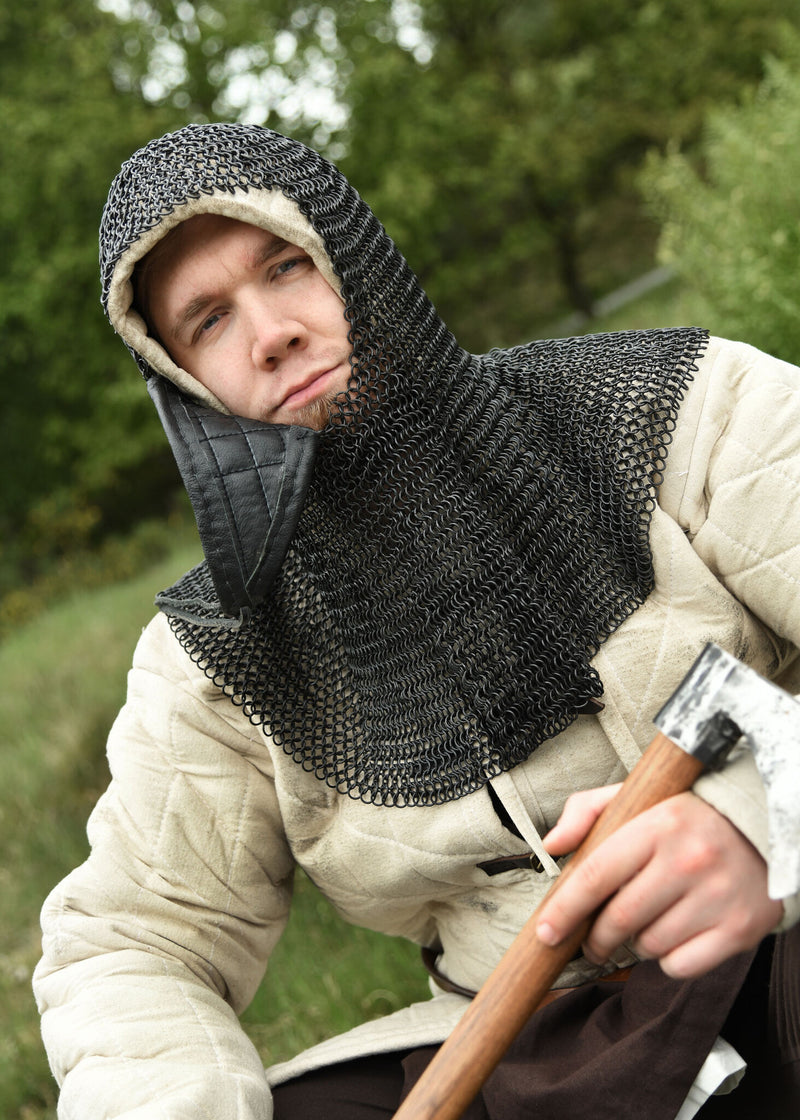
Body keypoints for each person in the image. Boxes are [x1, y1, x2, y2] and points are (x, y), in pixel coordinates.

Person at [33, 122, 800, 1119]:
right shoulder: (215, 657)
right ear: (183, 384)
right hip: (532, 1046)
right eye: (210, 320)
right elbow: (134, 941)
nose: (272, 331)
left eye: (284, 266)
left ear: (354, 259)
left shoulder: (679, 410)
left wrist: (761, 819)